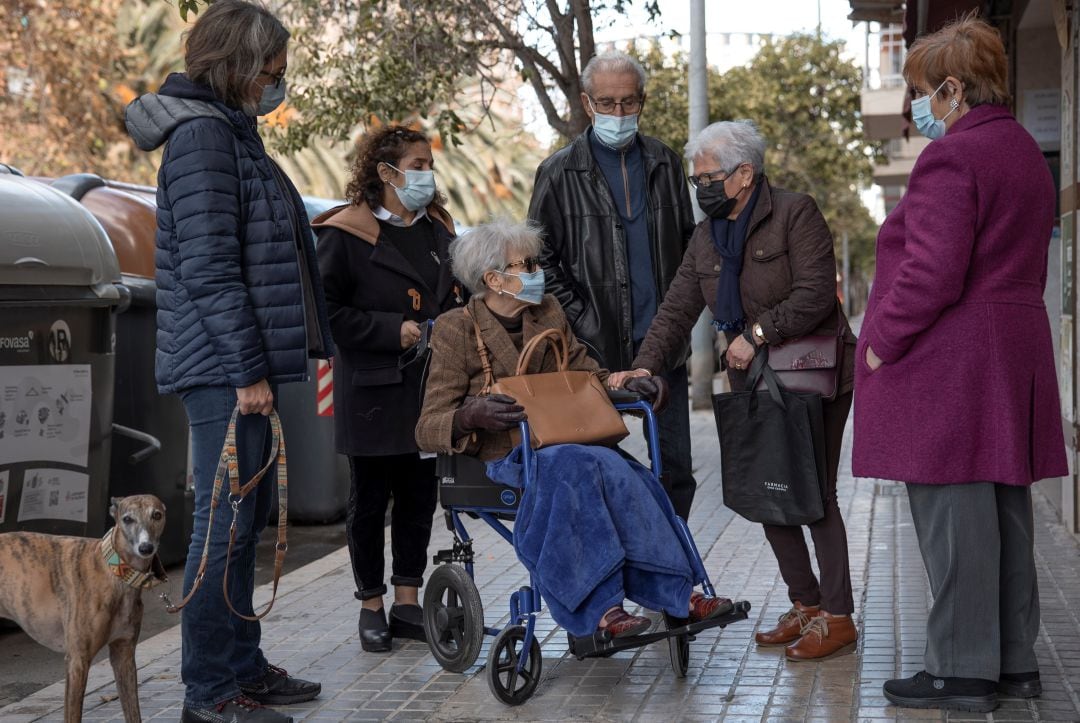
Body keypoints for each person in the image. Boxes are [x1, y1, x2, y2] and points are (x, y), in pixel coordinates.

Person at [853, 16, 1067, 713]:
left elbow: (931, 269)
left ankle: (960, 668)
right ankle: (1011, 661)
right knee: (1003, 509)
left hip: (953, 355)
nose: (917, 109)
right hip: (1009, 346)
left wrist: (881, 337)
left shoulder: (955, 158)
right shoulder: (1023, 151)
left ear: (953, 88)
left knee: (953, 514)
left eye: (922, 93)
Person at [124, 2, 330, 721]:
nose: (278, 83)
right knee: (224, 528)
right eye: (272, 70)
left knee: (245, 521)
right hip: (221, 369)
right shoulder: (206, 141)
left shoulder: (232, 135)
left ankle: (242, 667)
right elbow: (212, 270)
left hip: (235, 363)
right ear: (237, 67)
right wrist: (248, 370)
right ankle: (209, 692)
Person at [611, 120, 859, 662]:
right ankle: (807, 605)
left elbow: (817, 294)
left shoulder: (796, 212)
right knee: (767, 492)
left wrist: (756, 333)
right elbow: (677, 309)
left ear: (744, 174)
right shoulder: (706, 237)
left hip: (812, 374)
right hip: (754, 380)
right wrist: (640, 367)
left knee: (813, 494)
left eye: (708, 177)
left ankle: (838, 618)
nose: (698, 188)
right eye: (694, 178)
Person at [415, 219, 731, 638]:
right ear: (493, 279)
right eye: (524, 265)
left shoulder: (547, 311)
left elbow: (585, 374)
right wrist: (469, 415)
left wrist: (625, 382)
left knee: (630, 475)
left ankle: (680, 593)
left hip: (564, 442)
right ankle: (601, 608)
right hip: (505, 456)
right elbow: (427, 426)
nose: (535, 272)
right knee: (577, 467)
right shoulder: (458, 328)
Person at [527, 51, 698, 520]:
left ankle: (672, 571)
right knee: (597, 467)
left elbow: (689, 250)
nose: (618, 114)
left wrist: (679, 322)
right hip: (590, 353)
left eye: (628, 103)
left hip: (664, 349)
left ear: (641, 102)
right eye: (607, 103)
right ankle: (613, 576)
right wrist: (583, 318)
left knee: (677, 469)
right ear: (587, 103)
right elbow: (537, 259)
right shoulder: (558, 172)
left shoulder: (664, 161)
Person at [312, 125, 464, 653]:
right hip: (373, 388)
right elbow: (326, 313)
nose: (426, 173)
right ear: (385, 172)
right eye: (417, 164)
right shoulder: (344, 233)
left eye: (428, 165)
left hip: (431, 387)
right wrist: (387, 329)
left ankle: (406, 604)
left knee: (420, 498)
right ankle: (370, 606)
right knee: (370, 501)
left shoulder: (440, 231)